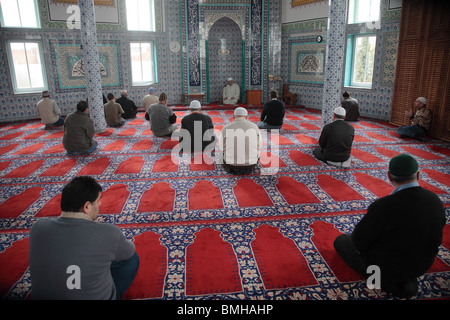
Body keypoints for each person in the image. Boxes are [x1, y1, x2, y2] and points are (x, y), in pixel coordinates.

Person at [333, 154, 446, 298]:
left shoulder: (384, 206)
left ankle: (387, 282)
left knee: (342, 241)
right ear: (418, 175)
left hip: (385, 267)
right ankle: (405, 280)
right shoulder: (435, 200)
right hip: (421, 265)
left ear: (389, 176)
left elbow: (358, 242)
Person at [29, 176, 139, 300]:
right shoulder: (108, 232)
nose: (100, 204)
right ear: (87, 207)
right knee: (132, 259)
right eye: (98, 201)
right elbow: (129, 251)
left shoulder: (38, 227)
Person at [219, 107, 262, 173]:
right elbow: (259, 146)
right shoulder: (254, 127)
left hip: (230, 164)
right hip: (251, 164)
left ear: (233, 116)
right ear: (246, 117)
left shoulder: (226, 128)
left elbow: (222, 147)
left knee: (220, 157)